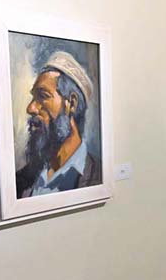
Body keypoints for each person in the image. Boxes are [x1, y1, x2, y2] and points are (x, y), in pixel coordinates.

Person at [15, 51, 102, 198]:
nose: (30, 108)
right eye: (33, 97)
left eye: (43, 96)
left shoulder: (98, 175)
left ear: (71, 104)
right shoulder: (20, 181)